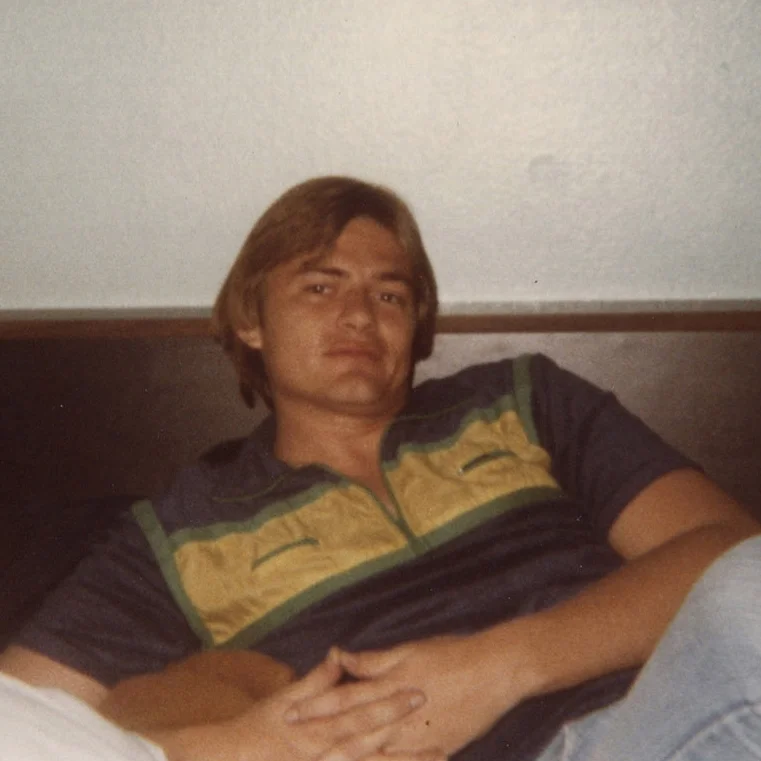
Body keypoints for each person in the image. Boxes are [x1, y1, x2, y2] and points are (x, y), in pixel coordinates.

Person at [1, 176, 759, 761]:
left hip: (668, 717)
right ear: (250, 320)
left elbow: (727, 548)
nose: (360, 315)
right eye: (320, 285)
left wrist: (498, 668)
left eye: (389, 293)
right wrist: (244, 743)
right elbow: (23, 717)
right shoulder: (178, 531)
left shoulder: (524, 399)